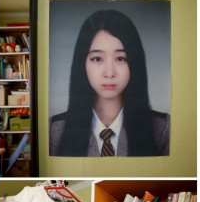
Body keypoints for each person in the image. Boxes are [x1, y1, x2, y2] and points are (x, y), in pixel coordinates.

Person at [49, 9, 170, 156]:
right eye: (97, 59)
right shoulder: (55, 130)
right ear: (82, 63)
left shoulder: (162, 129)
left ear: (134, 62)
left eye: (120, 59)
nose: (109, 73)